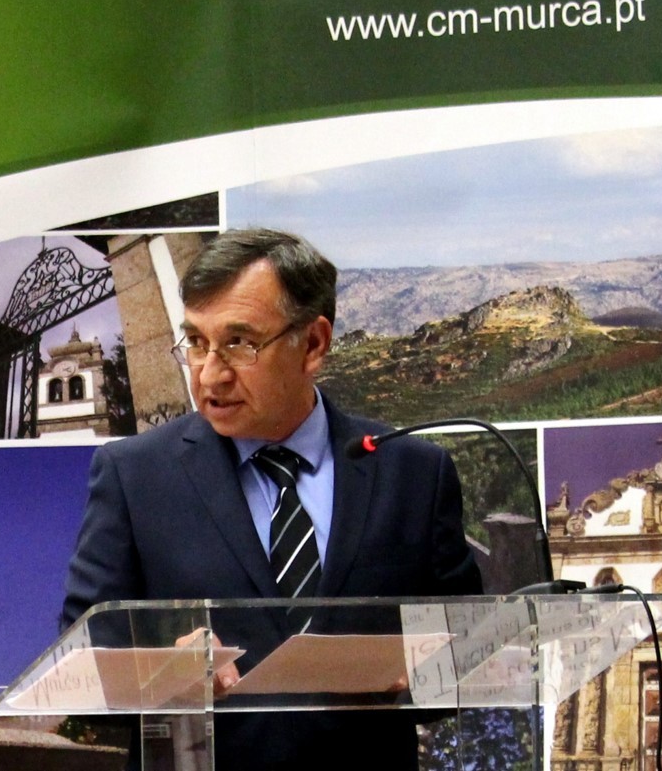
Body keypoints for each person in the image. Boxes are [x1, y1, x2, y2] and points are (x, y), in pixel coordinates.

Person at [60, 228, 481, 770]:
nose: (210, 374)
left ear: (313, 344)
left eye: (239, 343)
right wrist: (163, 670)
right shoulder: (133, 475)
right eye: (196, 342)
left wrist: (425, 671)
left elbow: (468, 654)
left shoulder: (414, 474)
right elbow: (82, 660)